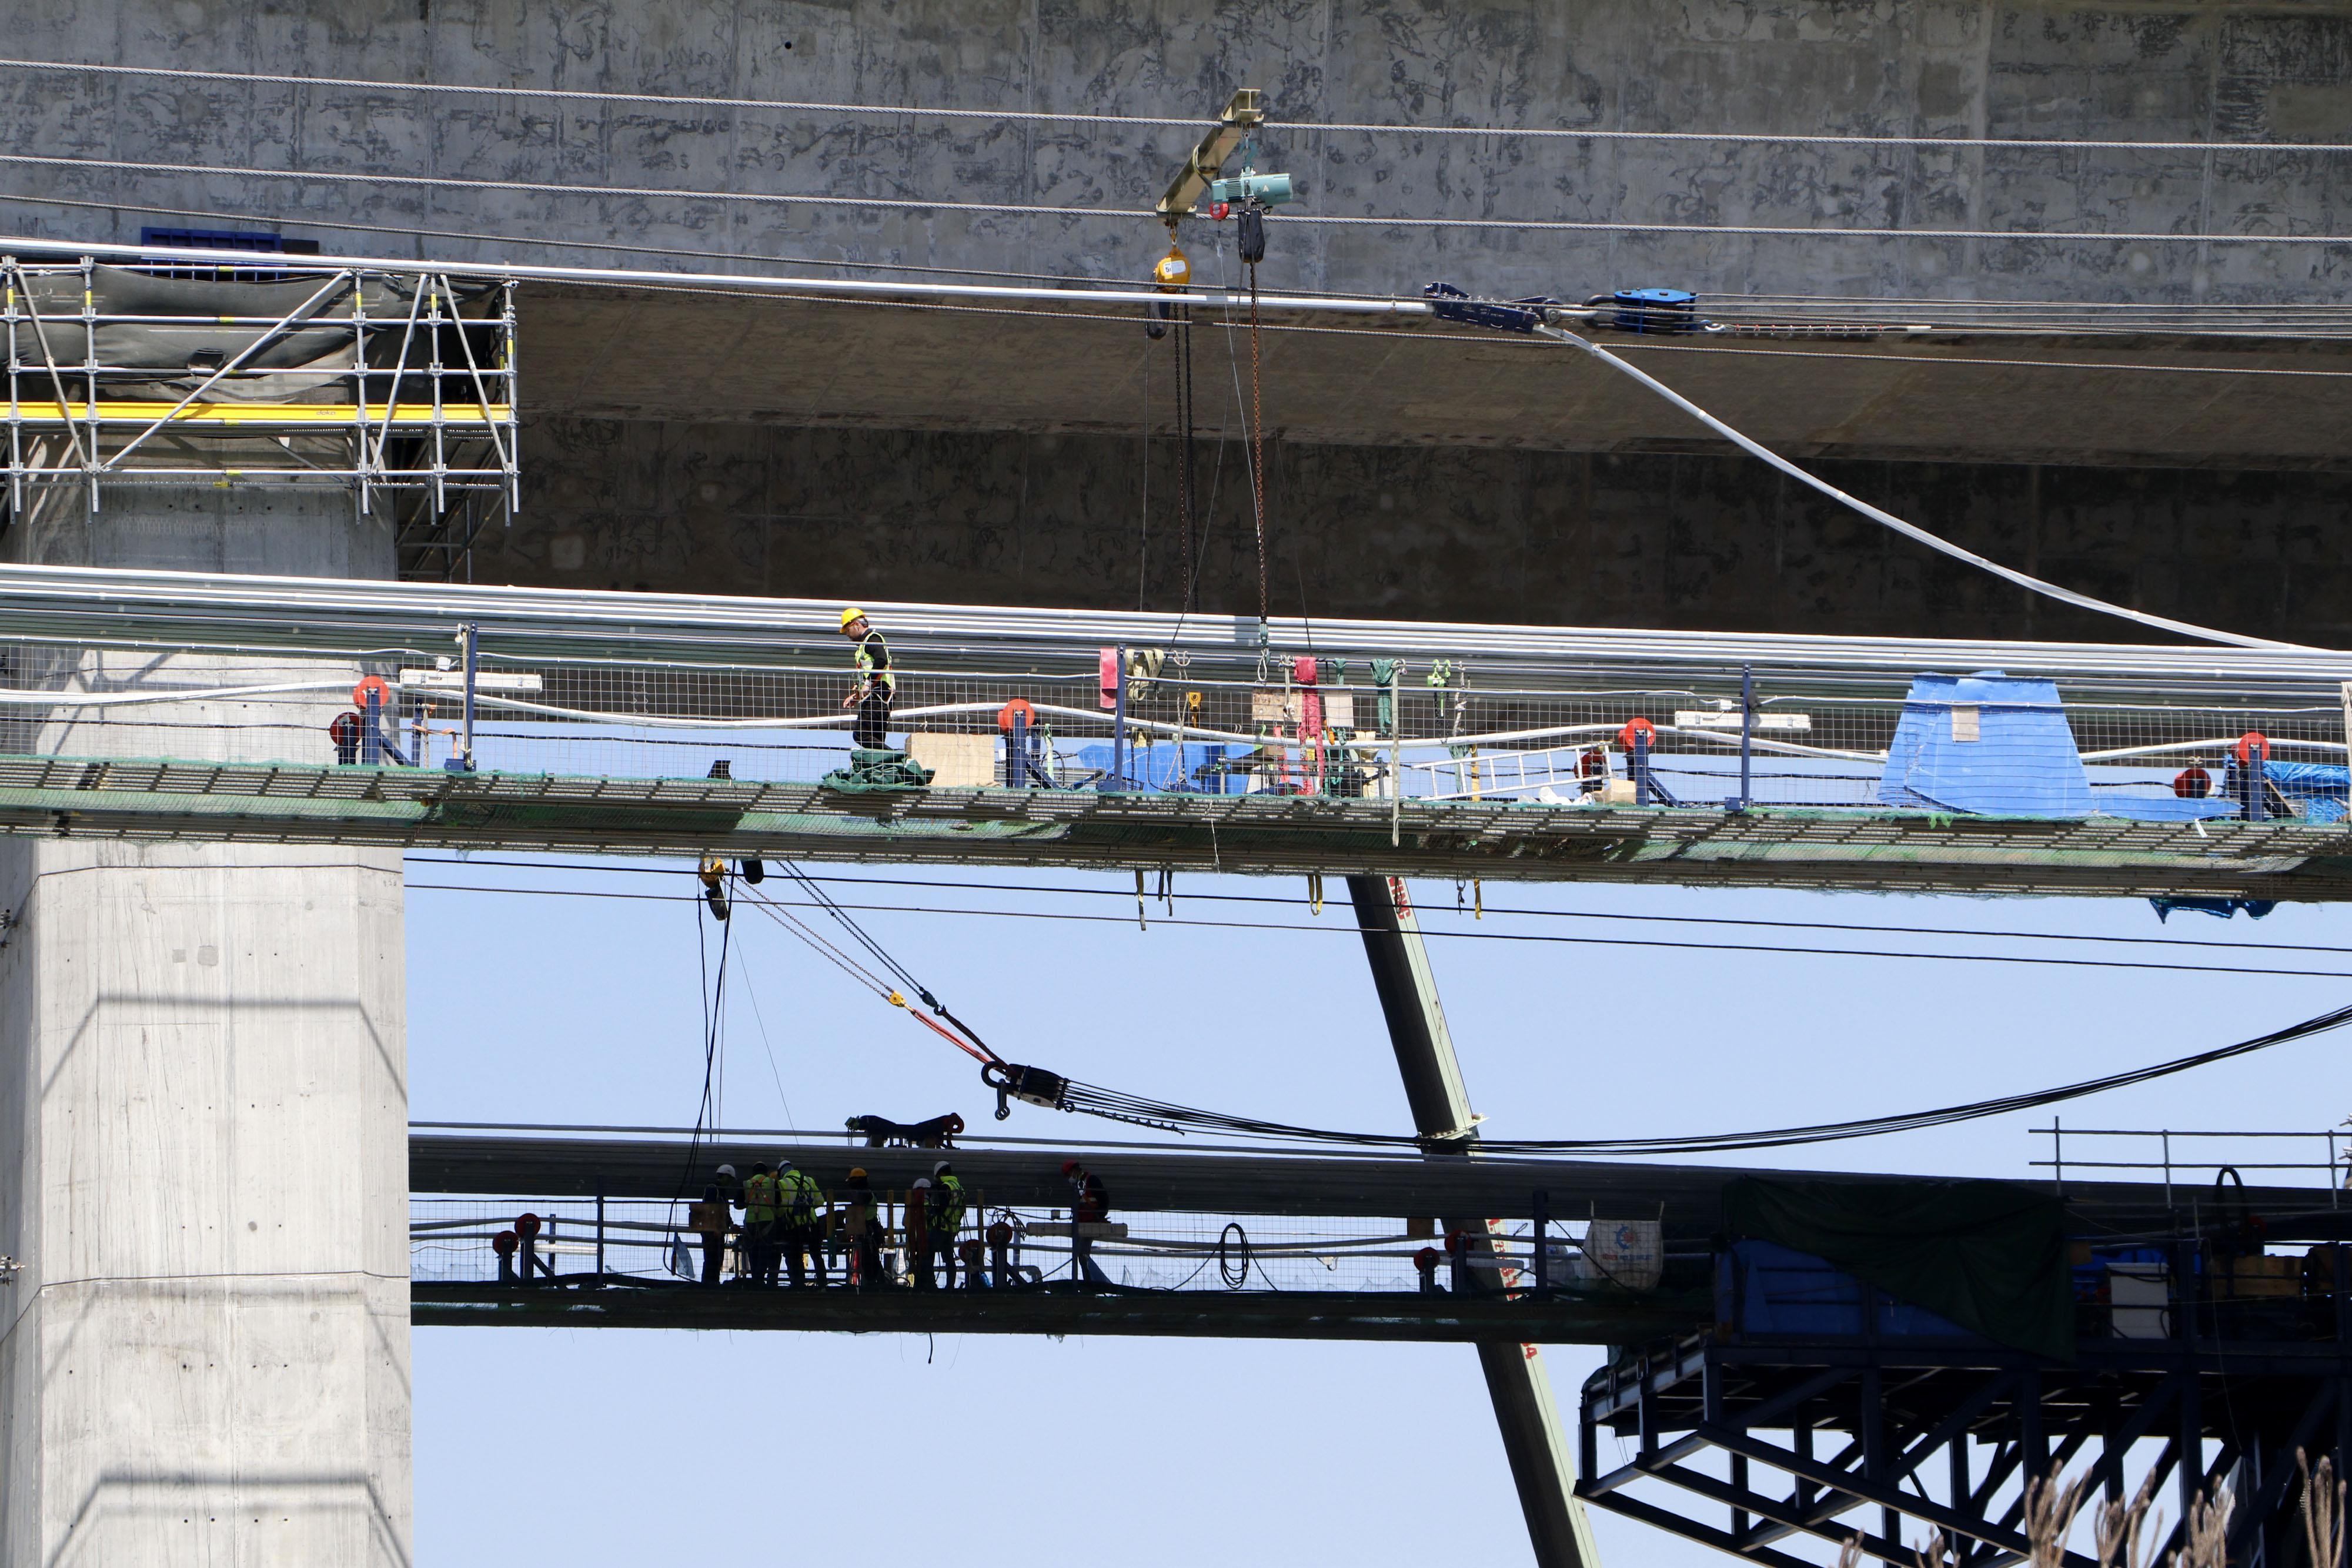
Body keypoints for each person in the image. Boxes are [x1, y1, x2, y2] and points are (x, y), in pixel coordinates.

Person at [838, 607, 896, 751]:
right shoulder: (863, 647)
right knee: (875, 741)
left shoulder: (873, 639)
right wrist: (857, 695)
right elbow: (867, 673)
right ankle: (887, 765)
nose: (848, 636)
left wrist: (868, 685)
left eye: (848, 631)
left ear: (856, 625)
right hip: (879, 696)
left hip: (879, 695)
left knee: (861, 735)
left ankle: (898, 758)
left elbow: (881, 660)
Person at [776, 1158, 828, 1288]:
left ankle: (798, 1284)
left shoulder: (782, 1183)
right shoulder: (809, 1180)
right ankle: (823, 1283)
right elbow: (820, 1201)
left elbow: (782, 1208)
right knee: (816, 1255)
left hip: (795, 1227)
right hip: (812, 1224)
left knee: (794, 1255)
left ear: (781, 1172)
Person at [1064, 1158, 1111, 1285]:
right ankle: (1089, 1284)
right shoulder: (1079, 1185)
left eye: (1069, 1174)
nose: (1069, 1178)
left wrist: (1100, 1216)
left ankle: (1091, 1285)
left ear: (1074, 1171)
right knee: (1081, 1255)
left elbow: (1103, 1199)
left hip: (1091, 1223)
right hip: (1082, 1224)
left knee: (1082, 1255)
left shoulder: (1090, 1180)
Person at [922, 1160, 965, 1289]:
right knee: (948, 1258)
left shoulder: (946, 1187)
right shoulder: (958, 1187)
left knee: (928, 1254)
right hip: (953, 1228)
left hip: (941, 1228)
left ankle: (930, 1284)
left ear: (940, 1174)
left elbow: (941, 1208)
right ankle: (950, 1287)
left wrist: (930, 1210)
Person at [841, 1168, 884, 1288]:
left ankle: (873, 1285)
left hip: (869, 1231)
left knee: (869, 1260)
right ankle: (878, 1284)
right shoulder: (868, 1193)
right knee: (871, 1260)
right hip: (869, 1230)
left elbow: (858, 1205)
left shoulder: (866, 1195)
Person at [738, 1162, 780, 1286]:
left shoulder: (746, 1184)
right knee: (764, 1253)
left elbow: (738, 1204)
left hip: (750, 1223)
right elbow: (779, 1202)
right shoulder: (773, 1183)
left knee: (753, 1253)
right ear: (766, 1173)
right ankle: (760, 1281)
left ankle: (756, 1280)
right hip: (767, 1224)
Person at [689, 1178, 733, 1287]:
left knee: (710, 1260)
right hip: (714, 1238)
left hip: (710, 1238)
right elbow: (726, 1218)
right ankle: (712, 1282)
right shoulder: (717, 1206)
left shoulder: (705, 1207)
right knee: (714, 1260)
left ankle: (708, 1282)